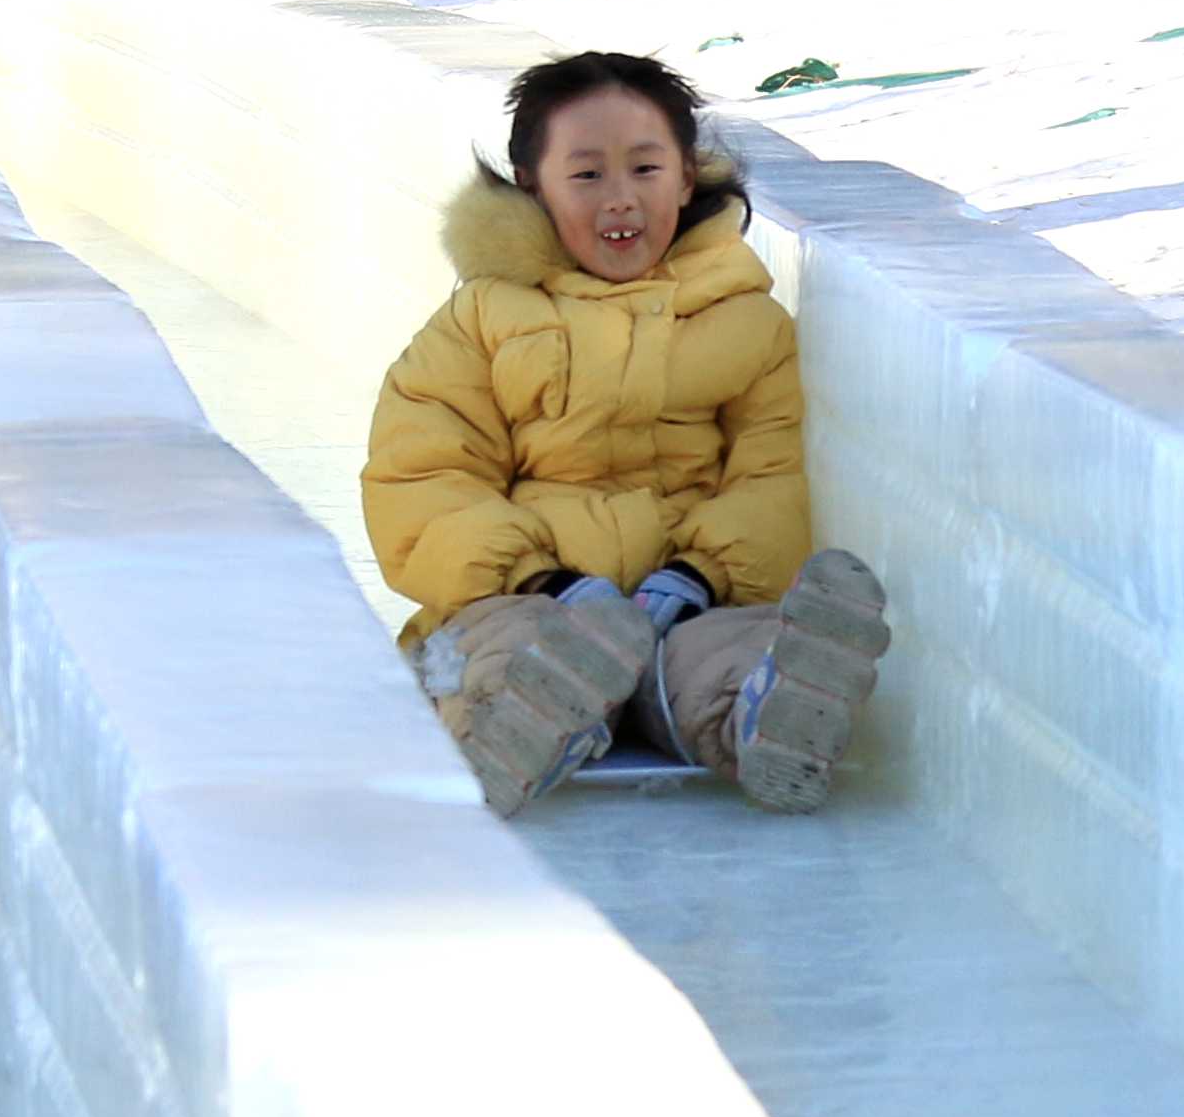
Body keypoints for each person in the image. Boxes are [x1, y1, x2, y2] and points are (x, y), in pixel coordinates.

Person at [365, 51, 894, 820]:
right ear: (531, 185)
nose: (621, 199)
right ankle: (517, 721)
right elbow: (427, 473)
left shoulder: (746, 319)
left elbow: (773, 472)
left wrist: (700, 574)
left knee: (722, 654)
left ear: (686, 177)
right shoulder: (482, 320)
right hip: (529, 593)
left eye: (645, 169)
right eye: (586, 176)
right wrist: (539, 577)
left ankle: (768, 712)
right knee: (505, 650)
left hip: (689, 601)